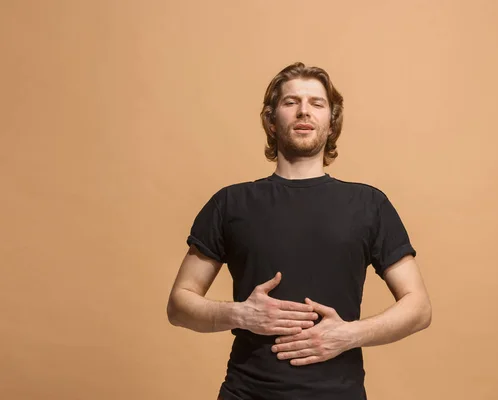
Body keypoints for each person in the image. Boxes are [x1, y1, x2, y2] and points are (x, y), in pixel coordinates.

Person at [167, 62, 432, 400]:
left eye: (316, 103)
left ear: (331, 121)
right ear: (271, 120)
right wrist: (240, 314)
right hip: (246, 392)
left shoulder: (369, 204)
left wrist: (349, 335)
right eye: (291, 102)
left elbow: (419, 307)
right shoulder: (230, 203)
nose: (304, 110)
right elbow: (179, 304)